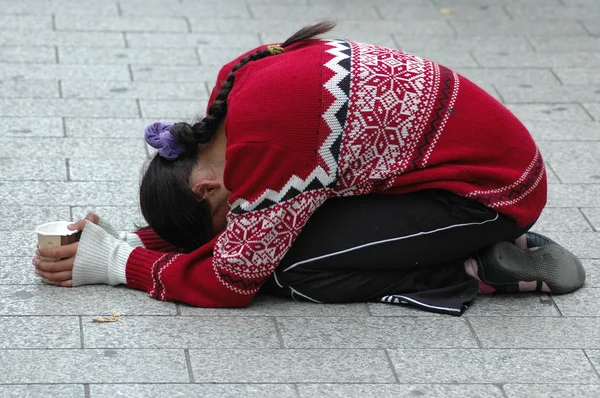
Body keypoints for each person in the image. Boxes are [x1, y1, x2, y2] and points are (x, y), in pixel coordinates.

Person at [32, 21, 585, 315]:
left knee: (291, 271)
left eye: (220, 217)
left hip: (493, 192)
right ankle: (460, 244)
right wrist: (133, 238)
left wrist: (121, 266)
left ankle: (471, 269)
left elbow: (233, 278)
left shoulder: (270, 147)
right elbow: (248, 222)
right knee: (275, 243)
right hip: (449, 171)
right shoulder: (237, 95)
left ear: (204, 187)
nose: (235, 220)